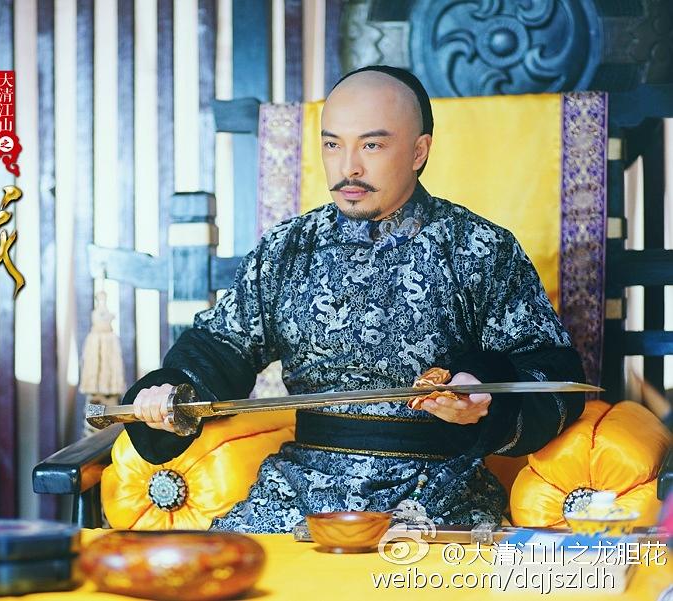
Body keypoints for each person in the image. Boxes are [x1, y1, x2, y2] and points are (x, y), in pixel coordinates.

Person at [119, 65, 586, 533]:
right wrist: (172, 393)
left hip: (438, 491)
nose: (348, 168)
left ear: (419, 151)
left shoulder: (478, 247)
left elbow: (551, 373)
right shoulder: (287, 247)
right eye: (332, 144)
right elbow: (221, 346)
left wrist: (484, 398)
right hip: (298, 490)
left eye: (371, 145)